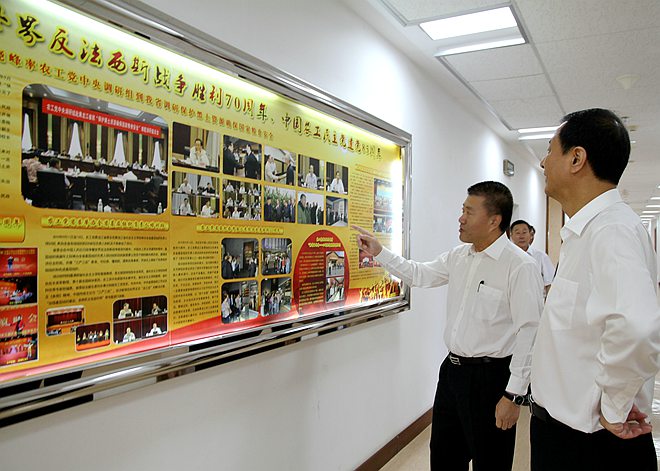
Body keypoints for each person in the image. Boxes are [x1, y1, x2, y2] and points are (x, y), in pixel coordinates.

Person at [355, 181, 543, 470]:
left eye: (469, 211)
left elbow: (530, 331)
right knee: (444, 458)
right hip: (452, 373)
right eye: (462, 210)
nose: (461, 218)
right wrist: (380, 252)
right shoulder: (459, 256)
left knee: (491, 462)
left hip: (491, 379)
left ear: (494, 221)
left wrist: (513, 395)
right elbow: (418, 274)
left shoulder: (519, 266)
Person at [529, 108, 660, 470]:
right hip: (567, 434)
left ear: (576, 158)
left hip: (591, 445)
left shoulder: (611, 230)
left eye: (549, 150)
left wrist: (614, 409)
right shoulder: (585, 232)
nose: (542, 162)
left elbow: (637, 327)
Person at [509, 220, 555, 296]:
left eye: (524, 232)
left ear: (530, 235)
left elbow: (549, 283)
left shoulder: (541, 256)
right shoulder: (507, 256)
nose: (521, 236)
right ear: (511, 236)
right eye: (517, 233)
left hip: (536, 299)